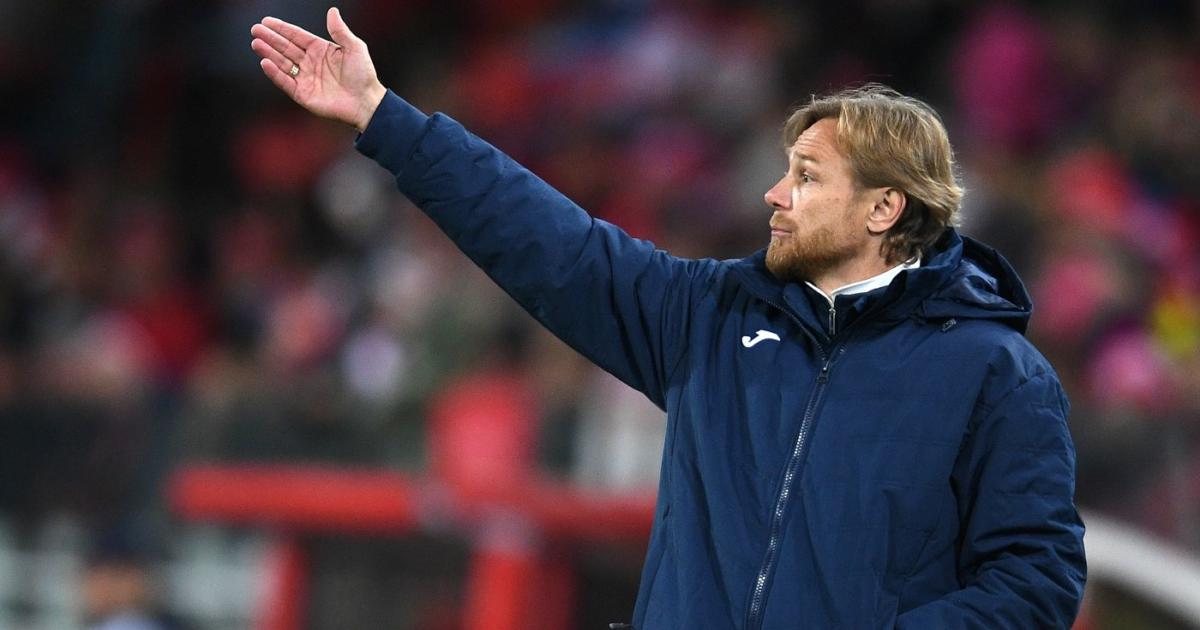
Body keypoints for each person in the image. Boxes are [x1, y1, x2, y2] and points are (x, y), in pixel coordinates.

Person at [250, 8, 1086, 628]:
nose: (775, 194)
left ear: (883, 208)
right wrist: (387, 119)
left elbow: (1036, 583)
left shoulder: (996, 374)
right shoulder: (712, 316)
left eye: (806, 177)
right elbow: (550, 243)